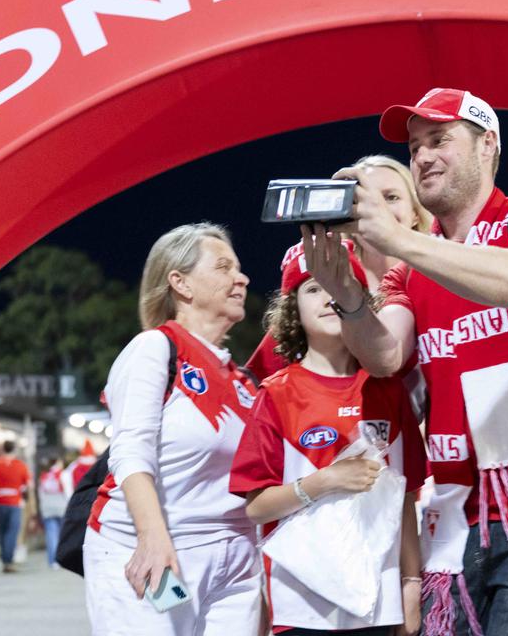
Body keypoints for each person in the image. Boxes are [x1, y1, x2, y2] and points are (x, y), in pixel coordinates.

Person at [301, 88, 508, 636]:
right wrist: (348, 297)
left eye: (439, 139)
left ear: (487, 145)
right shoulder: (410, 269)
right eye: (414, 147)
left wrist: (401, 238)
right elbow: (385, 355)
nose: (422, 156)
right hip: (458, 506)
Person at [231, 241, 425, 635]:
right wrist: (325, 481)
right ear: (293, 311)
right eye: (313, 288)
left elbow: (405, 500)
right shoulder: (277, 394)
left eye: (339, 284)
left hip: (378, 602)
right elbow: (256, 508)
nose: (329, 296)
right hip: (302, 603)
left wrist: (410, 583)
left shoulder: (388, 391)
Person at [84, 223, 262, 636]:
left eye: (239, 268)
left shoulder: (243, 380)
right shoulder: (155, 349)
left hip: (235, 563)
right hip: (158, 551)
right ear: (180, 283)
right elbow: (130, 452)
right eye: (223, 267)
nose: (242, 278)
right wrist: (152, 537)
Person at [246, 154, 433, 383]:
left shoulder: (440, 277)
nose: (377, 209)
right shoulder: (325, 278)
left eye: (391, 197)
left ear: (415, 212)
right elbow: (260, 375)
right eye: (362, 200)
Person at [0, 440, 31, 573]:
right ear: (15, 450)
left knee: (1, 532)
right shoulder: (21, 465)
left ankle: (4, 558)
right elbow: (29, 486)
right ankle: (8, 560)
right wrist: (27, 500)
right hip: (15, 503)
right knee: (12, 532)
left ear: (3, 449)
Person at [38, 456, 69, 570]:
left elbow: (41, 494)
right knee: (63, 534)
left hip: (48, 507)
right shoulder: (63, 474)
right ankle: (62, 559)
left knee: (51, 534)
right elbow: (68, 491)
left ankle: (53, 560)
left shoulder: (44, 476)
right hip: (61, 506)